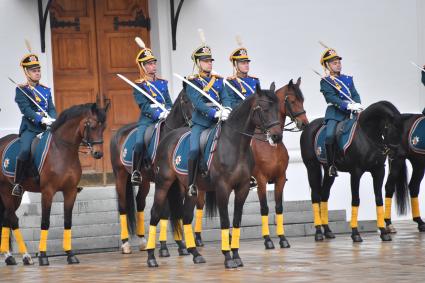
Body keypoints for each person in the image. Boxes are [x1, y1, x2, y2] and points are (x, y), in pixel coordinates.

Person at [186, 31, 232, 196]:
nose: (209, 63)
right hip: (201, 122)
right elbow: (197, 103)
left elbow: (226, 97)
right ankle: (191, 183)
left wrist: (226, 109)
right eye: (205, 61)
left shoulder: (218, 80)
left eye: (210, 60)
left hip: (220, 120)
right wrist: (214, 113)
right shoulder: (192, 81)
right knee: (193, 150)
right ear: (198, 63)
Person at [13, 53, 57, 196]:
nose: (37, 73)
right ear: (26, 72)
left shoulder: (45, 89)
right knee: (25, 150)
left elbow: (51, 107)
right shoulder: (21, 90)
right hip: (31, 128)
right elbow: (26, 110)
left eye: (38, 70)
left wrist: (53, 119)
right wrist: (40, 119)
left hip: (47, 127)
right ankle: (18, 183)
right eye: (34, 71)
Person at [131, 38, 172, 184]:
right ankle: (136, 171)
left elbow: (168, 101)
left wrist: (168, 111)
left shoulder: (162, 83)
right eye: (149, 64)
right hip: (147, 120)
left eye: (154, 63)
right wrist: (157, 114)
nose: (153, 66)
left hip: (164, 117)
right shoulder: (139, 85)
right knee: (140, 142)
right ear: (142, 66)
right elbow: (144, 106)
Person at [319, 47, 362, 177]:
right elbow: (331, 98)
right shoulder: (326, 81)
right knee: (330, 135)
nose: (338, 65)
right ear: (327, 65)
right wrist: (347, 105)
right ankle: (331, 165)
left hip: (352, 113)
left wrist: (357, 104)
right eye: (334, 63)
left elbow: (354, 94)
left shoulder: (348, 79)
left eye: (339, 62)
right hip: (335, 114)